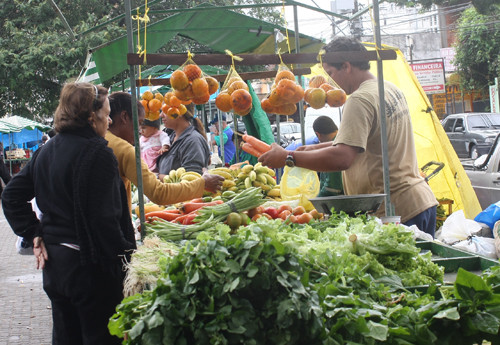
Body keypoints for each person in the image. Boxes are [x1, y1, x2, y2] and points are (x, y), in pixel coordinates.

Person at [259, 37, 438, 237]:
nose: (330, 81)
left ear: (347, 66)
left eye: (331, 73)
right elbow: (351, 143)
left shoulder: (360, 99)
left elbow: (342, 157)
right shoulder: (387, 88)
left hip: (395, 211)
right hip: (419, 201)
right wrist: (300, 150)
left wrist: (288, 158)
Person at [2, 82, 136, 344]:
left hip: (56, 270)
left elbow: (11, 195)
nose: (109, 120)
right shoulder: (98, 152)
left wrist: (36, 233)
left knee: (65, 337)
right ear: (90, 116)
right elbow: (105, 221)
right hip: (90, 272)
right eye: (105, 113)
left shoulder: (46, 150)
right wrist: (127, 267)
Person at [106, 92, 222, 212]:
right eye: (139, 123)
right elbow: (158, 193)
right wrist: (202, 184)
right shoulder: (124, 149)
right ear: (124, 117)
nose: (140, 131)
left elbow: (191, 174)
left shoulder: (104, 140)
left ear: (179, 112)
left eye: (165, 110)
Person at [157, 104, 211, 175]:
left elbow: (192, 179)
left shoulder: (193, 141)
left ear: (179, 112)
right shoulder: (170, 137)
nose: (161, 115)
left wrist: (158, 178)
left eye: (165, 111)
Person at [311, 116, 343, 197]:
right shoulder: (342, 139)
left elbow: (332, 188)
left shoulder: (333, 149)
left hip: (339, 203)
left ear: (318, 134)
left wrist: (315, 203)